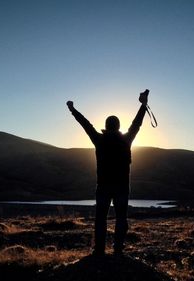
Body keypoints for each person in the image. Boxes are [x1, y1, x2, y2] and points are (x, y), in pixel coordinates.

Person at [66, 90, 149, 256]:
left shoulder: (99, 139)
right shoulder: (126, 140)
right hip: (122, 187)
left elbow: (85, 124)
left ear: (106, 125)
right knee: (120, 219)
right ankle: (118, 250)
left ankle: (99, 251)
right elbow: (137, 123)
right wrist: (143, 105)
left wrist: (73, 110)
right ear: (118, 126)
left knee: (100, 219)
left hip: (103, 186)